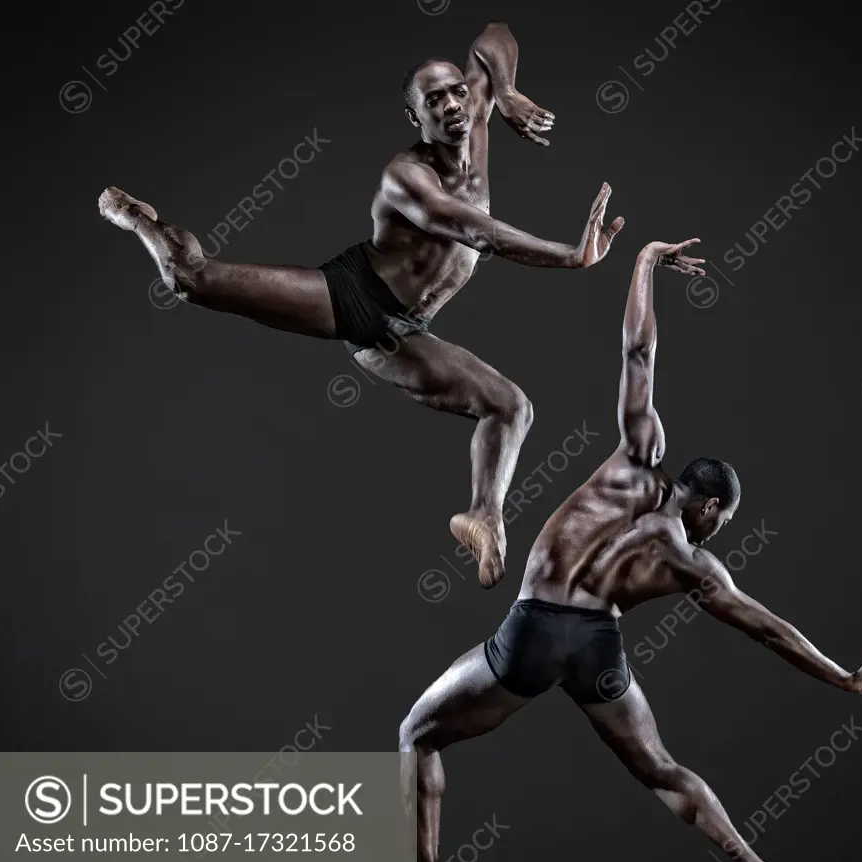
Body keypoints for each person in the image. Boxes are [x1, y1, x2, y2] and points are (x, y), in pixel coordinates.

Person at [398, 238, 862, 862]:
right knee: (663, 772)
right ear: (707, 505)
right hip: (597, 646)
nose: (716, 531)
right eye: (718, 520)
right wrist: (844, 677)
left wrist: (643, 263)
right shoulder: (692, 564)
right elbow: (766, 628)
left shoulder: (636, 458)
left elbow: (638, 354)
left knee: (418, 733)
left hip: (534, 627)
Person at [97, 21, 624, 588]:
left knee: (511, 408)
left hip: (411, 327)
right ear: (415, 118)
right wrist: (570, 256)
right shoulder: (407, 176)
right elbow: (479, 233)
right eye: (433, 100)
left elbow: (494, 35)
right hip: (355, 297)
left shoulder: (477, 110)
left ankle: (482, 514)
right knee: (191, 280)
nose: (451, 104)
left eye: (458, 92)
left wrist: (508, 87)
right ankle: (135, 217)